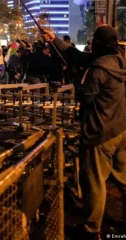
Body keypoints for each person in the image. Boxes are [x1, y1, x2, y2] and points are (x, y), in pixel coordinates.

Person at [42, 25, 126, 240]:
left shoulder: (98, 69)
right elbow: (78, 56)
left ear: (97, 44)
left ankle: (92, 230)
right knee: (124, 179)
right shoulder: (117, 60)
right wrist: (54, 40)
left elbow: (85, 97)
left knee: (94, 183)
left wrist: (77, 79)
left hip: (100, 133)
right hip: (121, 129)